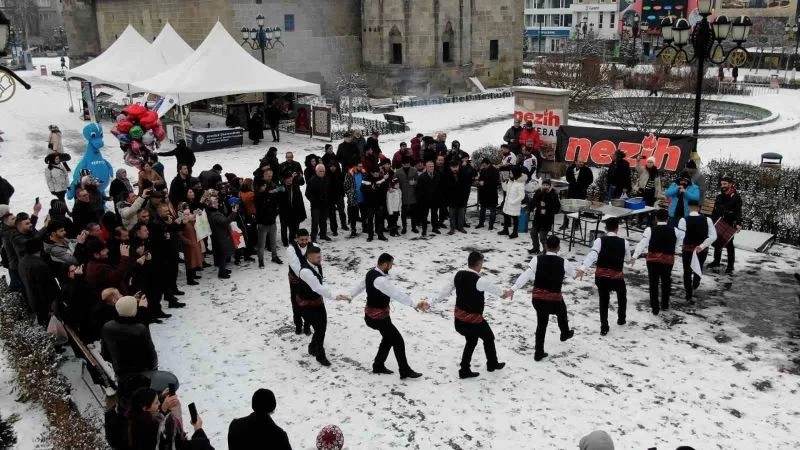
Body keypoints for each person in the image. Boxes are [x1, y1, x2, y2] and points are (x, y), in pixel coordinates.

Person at [344, 253, 427, 379]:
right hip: (377, 318)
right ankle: (405, 371)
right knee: (398, 341)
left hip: (376, 316)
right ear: (384, 264)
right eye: (390, 264)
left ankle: (378, 365)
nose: (391, 267)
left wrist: (351, 295)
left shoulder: (371, 272)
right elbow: (396, 293)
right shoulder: (380, 280)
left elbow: (361, 285)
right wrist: (414, 304)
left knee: (388, 339)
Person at [435, 251, 511, 379]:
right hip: (473, 321)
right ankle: (492, 364)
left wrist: (431, 303)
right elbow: (501, 294)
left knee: (472, 340)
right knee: (488, 337)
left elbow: (444, 292)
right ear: (479, 264)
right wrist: (509, 292)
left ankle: (465, 369)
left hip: (459, 321)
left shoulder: (457, 275)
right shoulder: (480, 281)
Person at [511, 236, 577, 361]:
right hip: (554, 300)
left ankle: (539, 352)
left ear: (546, 246)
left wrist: (513, 289)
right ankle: (564, 333)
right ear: (558, 248)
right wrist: (579, 272)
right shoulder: (564, 262)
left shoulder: (537, 260)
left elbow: (526, 275)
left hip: (538, 299)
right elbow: (573, 275)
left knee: (541, 324)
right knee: (562, 312)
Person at [577, 218, 632, 336]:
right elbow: (627, 260)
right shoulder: (624, 242)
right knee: (622, 296)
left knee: (604, 300)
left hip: (602, 277)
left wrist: (583, 268)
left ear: (606, 229)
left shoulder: (599, 241)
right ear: (617, 228)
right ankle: (621, 318)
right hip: (617, 277)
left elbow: (593, 255)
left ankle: (604, 326)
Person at [631, 209, 685, 314]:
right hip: (668, 260)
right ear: (668, 219)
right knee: (666, 281)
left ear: (656, 218)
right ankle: (665, 304)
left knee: (653, 282)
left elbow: (642, 244)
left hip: (652, 260)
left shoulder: (649, 230)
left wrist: (634, 256)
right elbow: (679, 242)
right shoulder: (675, 231)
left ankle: (655, 307)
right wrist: (674, 248)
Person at [127, 387, 213, 450]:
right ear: (145, 408)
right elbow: (176, 443)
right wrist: (198, 429)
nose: (160, 404)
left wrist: (160, 398)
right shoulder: (148, 430)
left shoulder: (135, 419)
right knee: (203, 443)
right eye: (156, 402)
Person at [101, 296, 158, 386]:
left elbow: (105, 354)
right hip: (141, 374)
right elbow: (151, 356)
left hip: (121, 372)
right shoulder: (139, 329)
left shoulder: (107, 326)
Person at [296, 245, 334, 366]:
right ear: (308, 256)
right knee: (319, 329)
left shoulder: (317, 265)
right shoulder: (306, 271)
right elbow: (317, 287)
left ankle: (312, 346)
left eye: (320, 256)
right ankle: (320, 355)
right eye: (317, 257)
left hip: (317, 302)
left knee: (322, 327)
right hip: (306, 305)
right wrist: (334, 296)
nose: (320, 259)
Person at [676, 200, 717, 303]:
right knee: (699, 266)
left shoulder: (683, 220)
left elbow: (681, 237)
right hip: (702, 250)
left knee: (687, 271)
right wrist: (702, 245)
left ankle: (688, 293)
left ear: (689, 207)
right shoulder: (707, 220)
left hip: (688, 249)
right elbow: (713, 236)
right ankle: (696, 283)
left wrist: (679, 246)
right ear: (699, 208)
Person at [18, 238, 60, 326]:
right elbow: (47, 289)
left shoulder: (22, 262)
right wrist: (51, 308)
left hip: (34, 301)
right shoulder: (39, 265)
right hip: (45, 305)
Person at [708, 176, 742, 274]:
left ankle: (730, 266)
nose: (723, 186)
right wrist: (712, 221)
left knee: (729, 244)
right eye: (722, 184)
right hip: (718, 222)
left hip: (730, 223)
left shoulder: (736, 197)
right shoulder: (719, 196)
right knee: (717, 242)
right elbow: (715, 210)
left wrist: (739, 223)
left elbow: (738, 212)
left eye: (725, 184)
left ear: (730, 184)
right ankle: (716, 261)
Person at [203, 189, 238, 279]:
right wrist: (233, 213)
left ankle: (223, 269)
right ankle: (221, 273)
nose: (217, 203)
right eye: (215, 202)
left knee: (224, 254)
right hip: (221, 236)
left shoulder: (211, 212)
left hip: (220, 235)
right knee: (223, 255)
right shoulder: (214, 215)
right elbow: (225, 221)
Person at [286, 229, 313, 335]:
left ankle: (307, 325)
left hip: (309, 280)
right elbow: (295, 266)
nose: (304, 242)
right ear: (297, 238)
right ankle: (298, 325)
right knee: (296, 302)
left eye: (306, 239)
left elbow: (317, 263)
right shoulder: (291, 249)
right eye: (302, 240)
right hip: (295, 280)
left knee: (309, 303)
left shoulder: (313, 246)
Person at [254, 172, 282, 268]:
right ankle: (260, 260)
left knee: (273, 242)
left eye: (265, 185)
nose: (264, 187)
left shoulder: (272, 190)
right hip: (262, 223)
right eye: (262, 186)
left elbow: (276, 201)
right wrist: (269, 192)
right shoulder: (258, 194)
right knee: (261, 244)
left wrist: (275, 213)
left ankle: (274, 256)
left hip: (272, 221)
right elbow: (259, 201)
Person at [528, 178, 560, 255]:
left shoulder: (553, 194)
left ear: (550, 186)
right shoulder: (539, 192)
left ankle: (546, 251)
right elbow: (534, 201)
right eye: (544, 185)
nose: (545, 186)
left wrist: (547, 208)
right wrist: (534, 207)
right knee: (533, 233)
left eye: (547, 185)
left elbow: (557, 207)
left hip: (547, 219)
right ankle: (536, 248)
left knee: (542, 237)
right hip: (538, 217)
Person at [561, 158, 593, 230]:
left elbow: (590, 180)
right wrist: (572, 183)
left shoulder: (587, 170)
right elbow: (567, 177)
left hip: (581, 192)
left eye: (582, 162)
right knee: (568, 207)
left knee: (579, 208)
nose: (581, 163)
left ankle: (576, 224)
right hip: (571, 190)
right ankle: (565, 223)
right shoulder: (570, 168)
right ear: (576, 162)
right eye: (580, 162)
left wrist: (584, 186)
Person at [278, 171, 307, 247]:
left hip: (294, 211)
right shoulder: (280, 187)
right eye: (288, 178)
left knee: (293, 227)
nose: (290, 180)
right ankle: (284, 241)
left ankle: (291, 240)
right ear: (284, 179)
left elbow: (300, 200)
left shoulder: (295, 186)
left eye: (291, 178)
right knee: (284, 227)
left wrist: (301, 212)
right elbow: (277, 200)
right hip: (284, 211)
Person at [361, 166, 389, 242]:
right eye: (375, 173)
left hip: (379, 203)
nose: (377, 174)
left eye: (378, 173)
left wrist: (377, 188)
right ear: (372, 173)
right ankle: (370, 235)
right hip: (370, 203)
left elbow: (384, 189)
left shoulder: (381, 179)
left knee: (380, 219)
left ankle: (380, 234)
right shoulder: (366, 179)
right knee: (370, 220)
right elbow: (362, 189)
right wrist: (371, 189)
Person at [306, 164, 332, 242]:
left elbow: (329, 191)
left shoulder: (327, 179)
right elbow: (307, 193)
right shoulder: (312, 180)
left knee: (323, 221)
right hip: (315, 205)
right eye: (320, 171)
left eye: (323, 171)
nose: (322, 172)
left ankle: (323, 235)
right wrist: (313, 200)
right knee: (315, 222)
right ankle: (313, 237)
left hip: (325, 204)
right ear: (316, 171)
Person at [499, 166, 526, 239]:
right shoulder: (511, 181)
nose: (509, 174)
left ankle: (515, 232)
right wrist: (503, 182)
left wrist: (514, 202)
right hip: (507, 203)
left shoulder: (520, 184)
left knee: (515, 218)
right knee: (506, 216)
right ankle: (505, 230)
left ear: (515, 173)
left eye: (511, 173)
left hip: (514, 204)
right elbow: (505, 189)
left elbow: (522, 196)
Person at [442, 160, 468, 235]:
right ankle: (452, 228)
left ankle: (461, 227)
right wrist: (446, 198)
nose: (455, 169)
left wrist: (465, 197)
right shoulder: (446, 175)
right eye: (453, 167)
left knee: (461, 215)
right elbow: (445, 189)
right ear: (450, 167)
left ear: (458, 166)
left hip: (461, 198)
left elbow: (466, 187)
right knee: (452, 215)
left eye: (456, 167)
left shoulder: (463, 174)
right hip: (451, 199)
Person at [395, 156, 418, 234]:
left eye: (408, 164)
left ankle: (414, 227)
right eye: (405, 164)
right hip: (403, 195)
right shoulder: (398, 171)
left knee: (414, 213)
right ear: (402, 164)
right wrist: (396, 185)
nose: (406, 165)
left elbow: (418, 181)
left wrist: (414, 183)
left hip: (412, 194)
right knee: (403, 213)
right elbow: (394, 180)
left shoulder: (414, 170)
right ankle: (404, 227)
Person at [476, 158, 500, 230]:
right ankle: (481, 223)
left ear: (488, 164)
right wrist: (479, 181)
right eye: (483, 165)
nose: (483, 166)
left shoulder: (495, 171)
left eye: (484, 165)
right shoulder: (483, 170)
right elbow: (480, 178)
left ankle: (491, 225)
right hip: (483, 193)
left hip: (492, 193)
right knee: (482, 209)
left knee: (492, 210)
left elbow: (495, 182)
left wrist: (484, 183)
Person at [327, 159, 348, 236]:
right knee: (332, 214)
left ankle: (344, 224)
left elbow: (343, 185)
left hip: (339, 195)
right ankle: (334, 229)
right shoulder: (327, 175)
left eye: (334, 166)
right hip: (330, 197)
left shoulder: (340, 174)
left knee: (342, 211)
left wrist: (342, 193)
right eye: (331, 166)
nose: (333, 168)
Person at [343, 162, 365, 237]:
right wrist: (350, 194)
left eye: (362, 166)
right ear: (355, 166)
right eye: (359, 166)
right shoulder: (349, 174)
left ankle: (364, 227)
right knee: (353, 216)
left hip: (363, 197)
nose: (361, 168)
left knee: (364, 214)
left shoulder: (364, 173)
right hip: (353, 198)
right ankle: (353, 230)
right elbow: (346, 187)